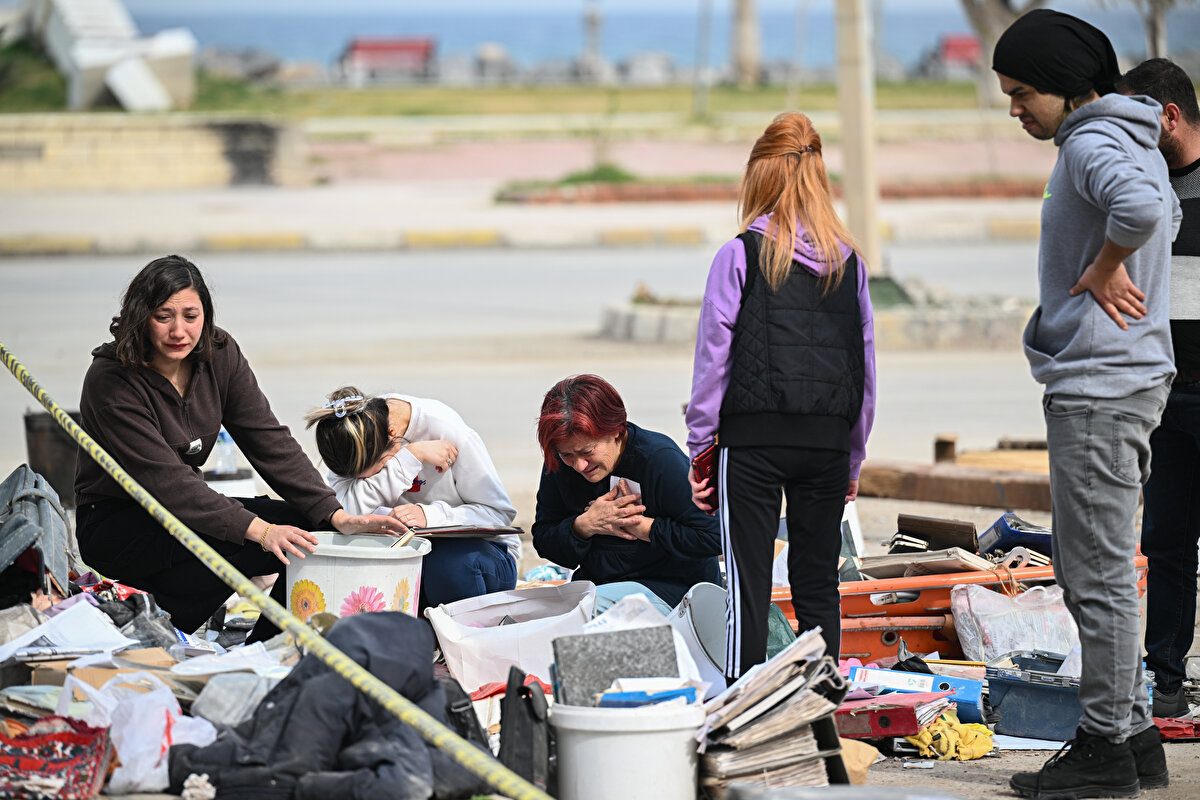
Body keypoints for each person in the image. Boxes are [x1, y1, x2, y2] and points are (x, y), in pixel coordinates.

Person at [992, 10, 1180, 797]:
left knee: (1095, 575)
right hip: (1123, 377)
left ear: (1068, 88)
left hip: (1100, 385)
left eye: (1022, 93)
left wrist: (1104, 266)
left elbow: (1142, 212)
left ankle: (1103, 748)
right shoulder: (1134, 136)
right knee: (1090, 565)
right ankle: (1133, 735)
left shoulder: (1091, 142)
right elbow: (1162, 210)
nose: (1014, 109)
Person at [74, 255, 405, 642]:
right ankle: (151, 620)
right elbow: (168, 483)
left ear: (206, 314)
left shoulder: (218, 353)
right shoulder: (111, 380)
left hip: (188, 510)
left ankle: (268, 647)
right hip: (118, 522)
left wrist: (334, 514)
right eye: (164, 316)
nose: (179, 331)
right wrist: (262, 531)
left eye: (191, 316)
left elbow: (267, 438)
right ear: (141, 317)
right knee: (257, 539)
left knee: (309, 531)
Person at [685, 111, 876, 682]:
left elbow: (713, 359)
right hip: (827, 444)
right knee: (818, 583)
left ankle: (742, 708)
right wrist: (853, 457)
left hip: (753, 442)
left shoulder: (740, 254)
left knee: (748, 586)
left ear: (760, 176)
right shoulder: (850, 264)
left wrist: (700, 447)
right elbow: (864, 369)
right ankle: (821, 706)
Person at [1117, 58, 1200, 720]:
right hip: (1164, 395)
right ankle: (1165, 679)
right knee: (1166, 542)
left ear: (1169, 116)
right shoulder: (1140, 190)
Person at [305, 387, 519, 608]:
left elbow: (499, 515)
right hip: (408, 551)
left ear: (392, 434)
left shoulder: (446, 429)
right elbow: (343, 512)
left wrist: (429, 516)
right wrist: (411, 457)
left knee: (446, 566)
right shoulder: (350, 435)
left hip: (481, 554)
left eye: (376, 472)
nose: (370, 483)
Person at [532, 374, 721, 615]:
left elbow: (715, 535)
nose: (579, 465)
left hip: (674, 592)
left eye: (587, 451)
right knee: (537, 613)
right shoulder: (560, 463)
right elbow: (544, 540)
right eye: (567, 455)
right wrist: (583, 526)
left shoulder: (659, 460)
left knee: (585, 611)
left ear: (616, 432)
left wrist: (644, 527)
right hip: (598, 585)